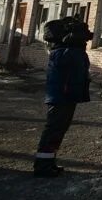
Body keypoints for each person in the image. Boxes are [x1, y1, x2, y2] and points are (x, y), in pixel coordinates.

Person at [33, 17, 93, 178]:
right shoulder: (66, 52)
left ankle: (48, 162)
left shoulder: (66, 51)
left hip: (64, 96)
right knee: (54, 130)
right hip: (62, 97)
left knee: (57, 130)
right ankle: (43, 166)